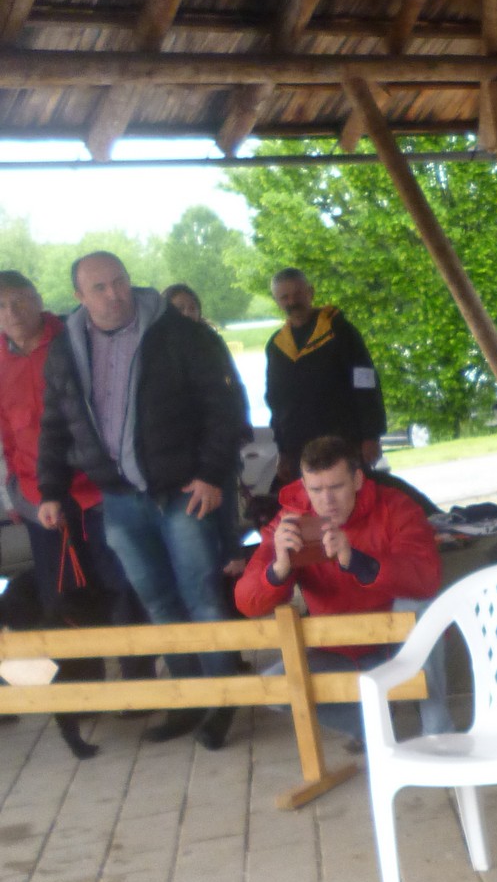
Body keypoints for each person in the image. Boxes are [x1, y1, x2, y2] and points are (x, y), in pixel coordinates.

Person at [36, 251, 247, 749]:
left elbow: (224, 406)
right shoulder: (66, 347)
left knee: (202, 596)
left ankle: (225, 697)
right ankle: (188, 699)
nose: (115, 294)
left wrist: (212, 474)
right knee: (158, 601)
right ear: (79, 296)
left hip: (184, 492)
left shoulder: (179, 333)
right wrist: (51, 491)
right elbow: (55, 423)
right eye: (100, 288)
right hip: (119, 499)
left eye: (120, 281)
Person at [235, 434, 445, 739]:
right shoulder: (290, 520)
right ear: (303, 486)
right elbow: (247, 603)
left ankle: (439, 733)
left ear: (357, 480)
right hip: (337, 649)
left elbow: (426, 578)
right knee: (273, 689)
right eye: (316, 489)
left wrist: (358, 561)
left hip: (394, 645)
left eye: (336, 487)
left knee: (421, 609)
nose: (326, 500)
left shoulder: (395, 507)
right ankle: (377, 730)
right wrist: (277, 570)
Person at [0, 270, 134, 627]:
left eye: (18, 301)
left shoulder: (77, 340)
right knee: (59, 598)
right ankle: (78, 664)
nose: (11, 312)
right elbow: (6, 436)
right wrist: (12, 492)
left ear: (38, 300)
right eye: (2, 306)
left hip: (98, 491)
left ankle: (135, 661)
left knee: (119, 586)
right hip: (38, 499)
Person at [264, 267, 386, 482]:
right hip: (299, 447)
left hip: (344, 439)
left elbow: (365, 382)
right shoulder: (276, 346)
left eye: (298, 294)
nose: (292, 302)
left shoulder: (340, 331)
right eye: (284, 297)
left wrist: (371, 435)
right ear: (277, 301)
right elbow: (276, 401)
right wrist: (282, 450)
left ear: (310, 292)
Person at [165, 282, 252, 574]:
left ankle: (233, 566)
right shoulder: (160, 348)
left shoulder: (211, 339)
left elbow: (232, 384)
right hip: (184, 450)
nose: (188, 313)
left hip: (219, 442)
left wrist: (242, 422)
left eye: (192, 307)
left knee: (227, 511)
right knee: (196, 520)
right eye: (180, 308)